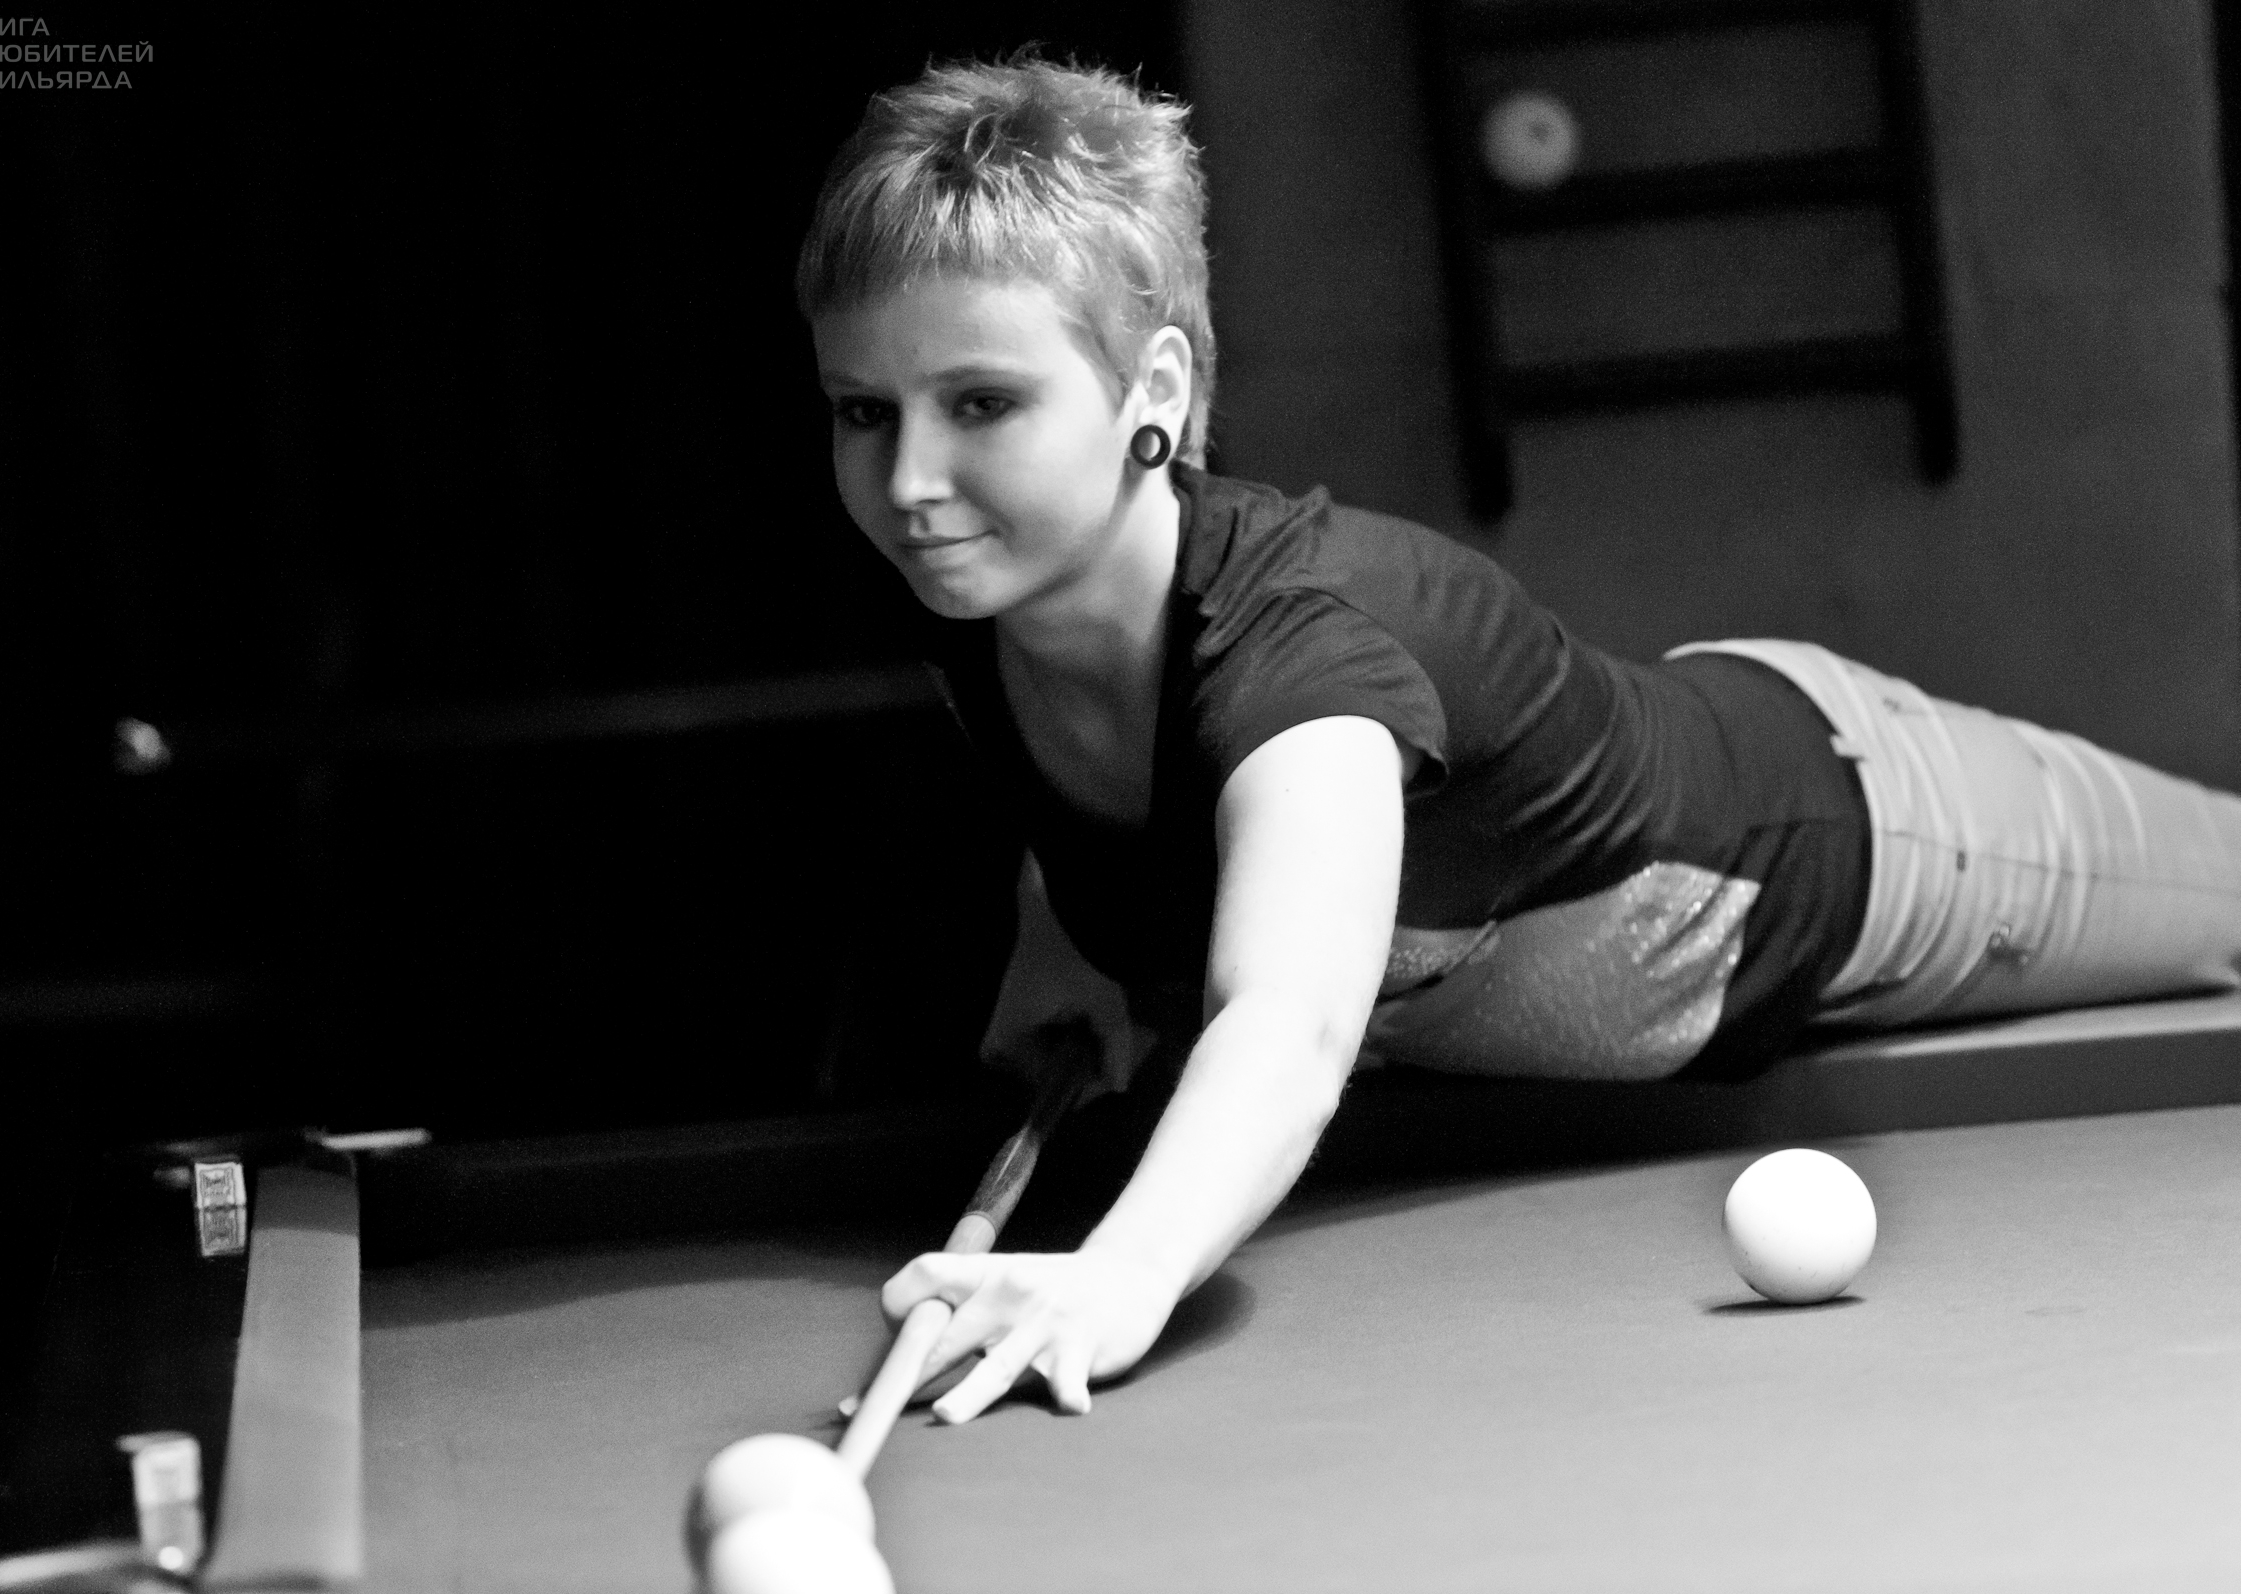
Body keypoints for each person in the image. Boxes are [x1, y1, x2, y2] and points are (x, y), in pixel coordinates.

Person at [797, 55, 2241, 1425]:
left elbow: (1289, 1023)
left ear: (1153, 393)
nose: (912, 479)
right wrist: (1071, 935)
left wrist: (1121, 1274)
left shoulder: (1307, 658)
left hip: (1869, 835)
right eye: (865, 410)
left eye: (983, 403)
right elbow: (1124, 808)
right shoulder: (983, 615)